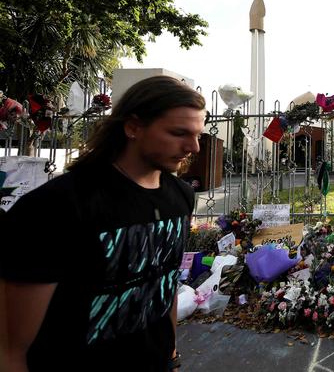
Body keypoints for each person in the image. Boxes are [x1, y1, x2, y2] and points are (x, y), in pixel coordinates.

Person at [0, 76, 206, 372]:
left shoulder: (180, 196)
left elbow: (164, 283)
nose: (194, 147)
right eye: (178, 133)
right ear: (133, 127)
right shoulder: (55, 206)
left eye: (198, 134)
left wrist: (171, 355)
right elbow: (10, 348)